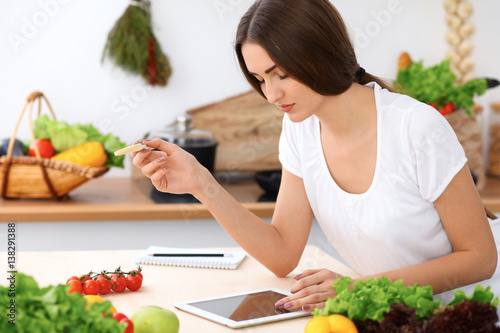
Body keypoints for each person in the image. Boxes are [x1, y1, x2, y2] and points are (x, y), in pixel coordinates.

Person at [132, 0, 499, 312]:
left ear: (320, 54)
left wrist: (358, 289)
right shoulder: (301, 129)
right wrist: (201, 183)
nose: (271, 94)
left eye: (282, 74)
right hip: (389, 314)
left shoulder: (415, 127)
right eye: (260, 79)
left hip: (468, 313)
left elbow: (480, 258)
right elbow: (282, 254)